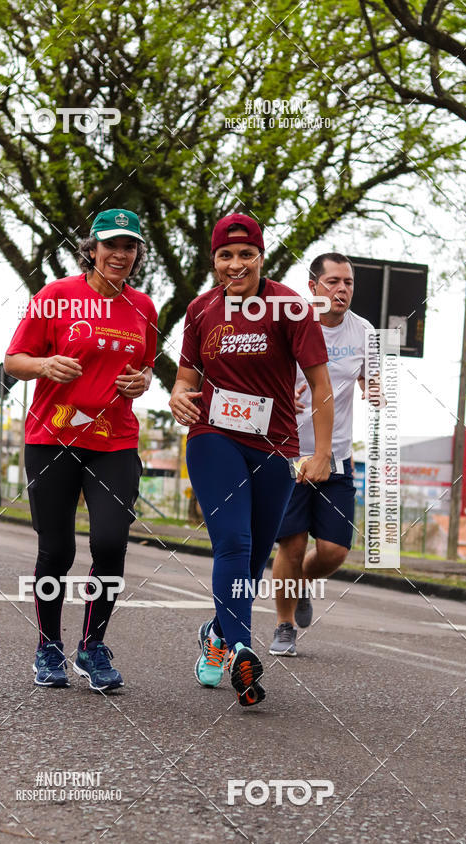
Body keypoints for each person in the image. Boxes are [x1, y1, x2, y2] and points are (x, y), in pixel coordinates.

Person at [169, 213, 333, 707]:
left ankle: (218, 634)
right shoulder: (200, 311)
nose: (235, 264)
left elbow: (321, 388)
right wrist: (179, 397)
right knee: (235, 542)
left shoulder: (290, 308)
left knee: (257, 553)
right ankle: (243, 648)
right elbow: (185, 380)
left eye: (246, 254)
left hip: (275, 445)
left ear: (261, 256)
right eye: (225, 255)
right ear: (213, 260)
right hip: (212, 437)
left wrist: (320, 453)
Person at [4, 209, 158, 692]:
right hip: (52, 437)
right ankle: (48, 645)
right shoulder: (56, 297)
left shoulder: (145, 308)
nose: (120, 254)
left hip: (114, 440)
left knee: (111, 542)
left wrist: (143, 381)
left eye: (129, 247)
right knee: (57, 549)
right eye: (111, 245)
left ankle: (93, 646)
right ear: (91, 249)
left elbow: (146, 370)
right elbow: (13, 361)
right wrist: (45, 364)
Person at [269, 252, 374, 656]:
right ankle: (283, 625)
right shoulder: (292, 324)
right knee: (291, 547)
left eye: (347, 282)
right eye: (333, 281)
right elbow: (264, 376)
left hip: (338, 457)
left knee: (333, 551)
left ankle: (303, 584)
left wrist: (372, 386)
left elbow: (370, 375)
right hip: (291, 453)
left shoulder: (363, 331)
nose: (342, 289)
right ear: (313, 286)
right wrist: (281, 396)